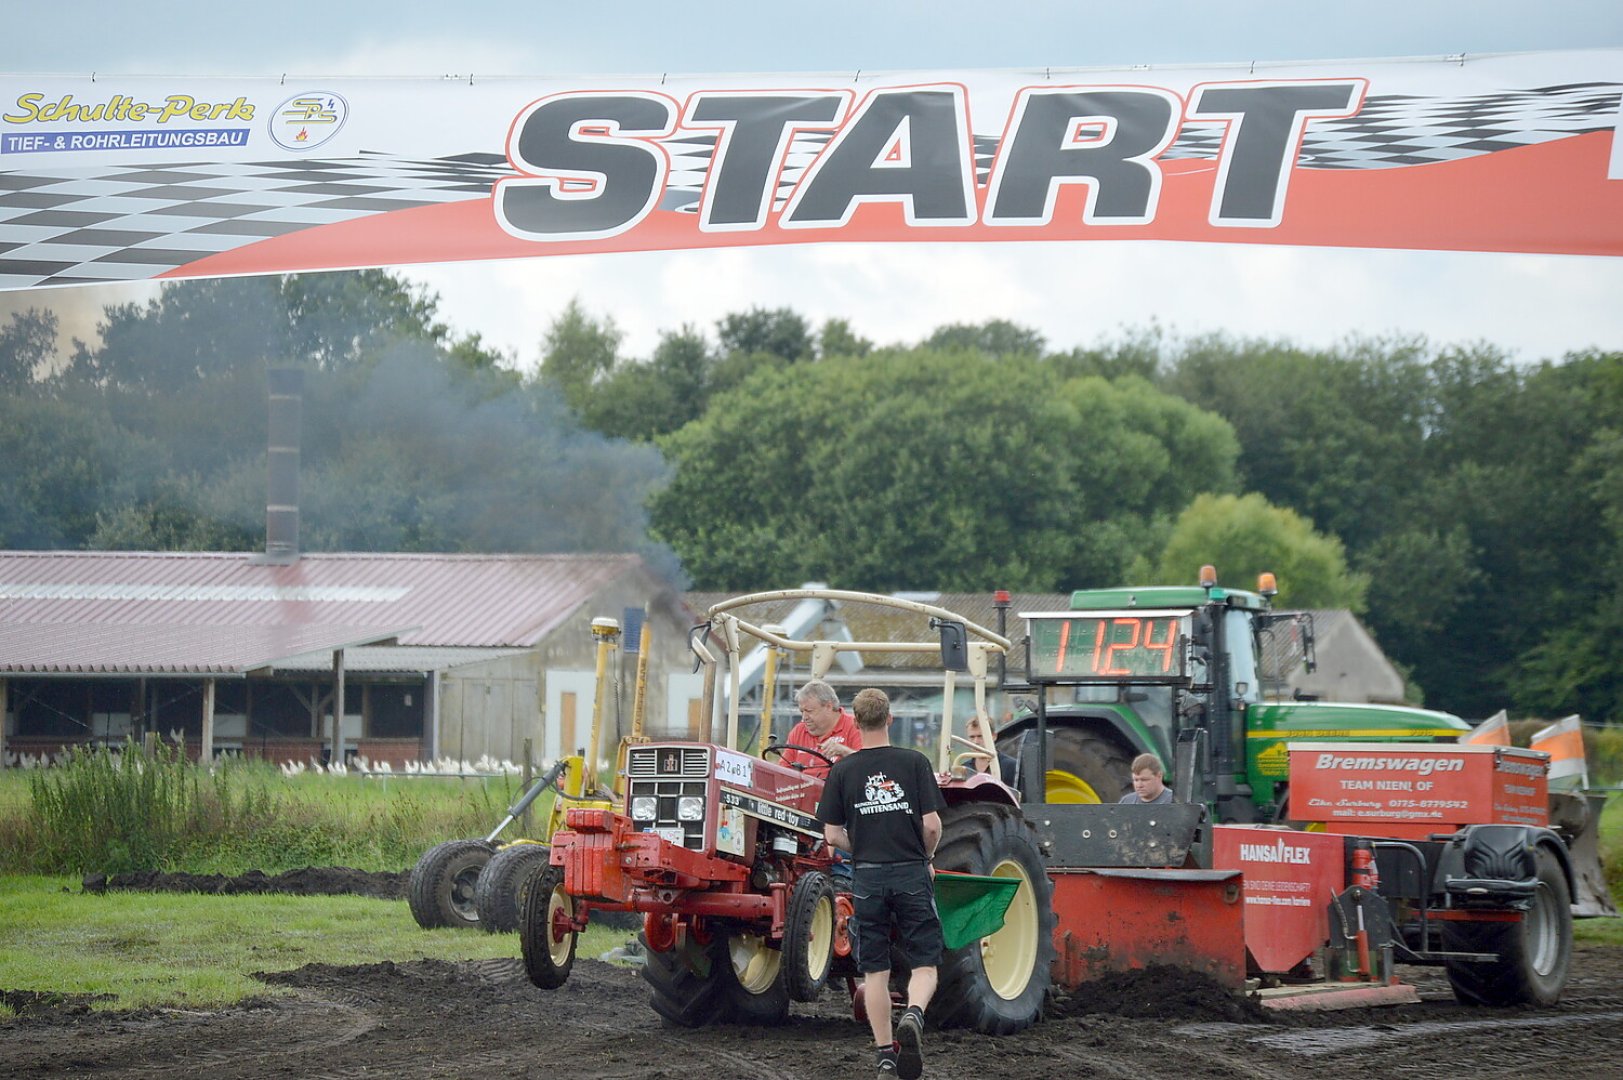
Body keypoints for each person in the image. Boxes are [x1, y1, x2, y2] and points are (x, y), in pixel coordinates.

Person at [816, 688, 944, 1080]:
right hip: (910, 871)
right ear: (890, 719)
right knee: (924, 963)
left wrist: (866, 845)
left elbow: (833, 836)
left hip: (867, 877)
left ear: (855, 722)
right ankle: (914, 1015)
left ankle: (886, 1056)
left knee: (875, 971)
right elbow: (933, 825)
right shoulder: (914, 762)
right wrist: (927, 856)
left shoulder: (842, 771)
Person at [780, 679, 861, 779]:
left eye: (809, 711)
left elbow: (868, 765)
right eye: (802, 711)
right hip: (800, 791)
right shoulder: (799, 731)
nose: (804, 717)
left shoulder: (855, 726)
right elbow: (782, 771)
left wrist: (844, 752)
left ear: (828, 706)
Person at [965, 713, 1018, 789]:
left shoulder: (1011, 766)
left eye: (980, 736)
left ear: (994, 736)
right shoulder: (964, 768)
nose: (976, 742)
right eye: (972, 737)